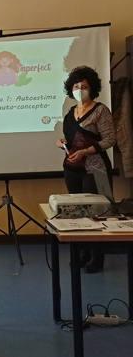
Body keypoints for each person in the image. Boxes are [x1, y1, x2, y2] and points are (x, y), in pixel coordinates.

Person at [56, 66, 116, 273]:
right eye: (76, 86)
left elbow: (110, 139)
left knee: (95, 211)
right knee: (76, 212)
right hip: (73, 168)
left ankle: (97, 256)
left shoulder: (100, 110)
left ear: (93, 88)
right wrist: (64, 143)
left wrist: (86, 152)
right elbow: (71, 140)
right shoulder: (70, 113)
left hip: (95, 168)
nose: (80, 89)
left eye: (84, 86)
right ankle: (82, 252)